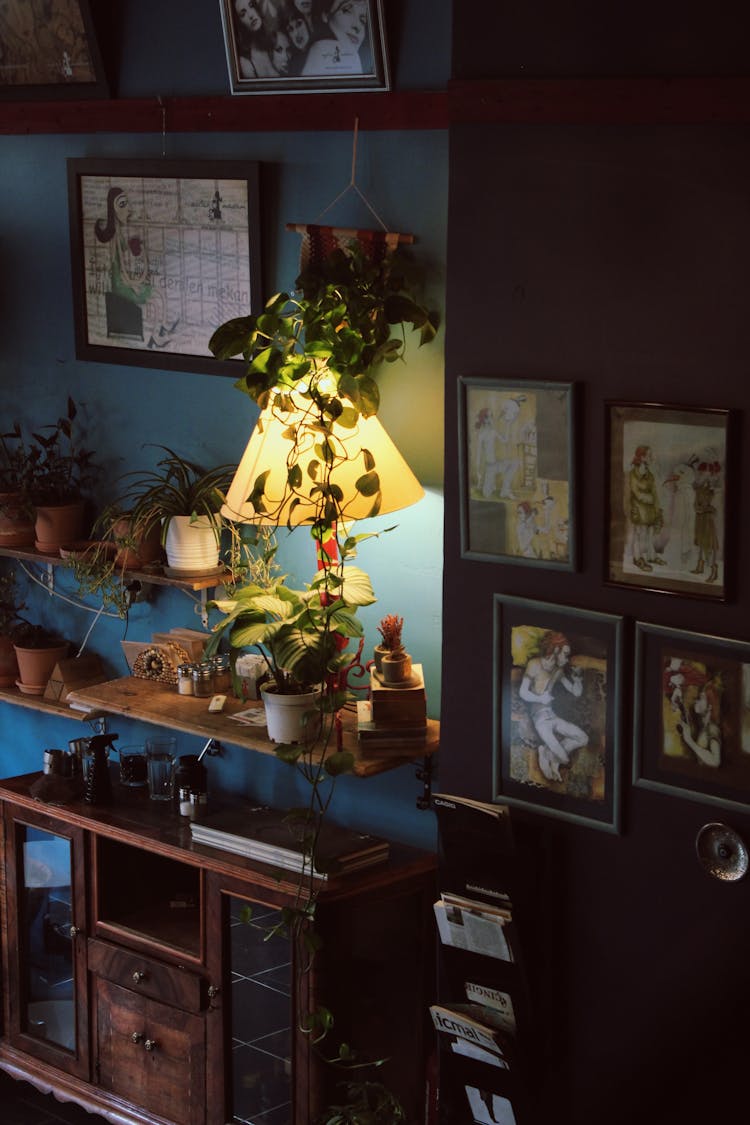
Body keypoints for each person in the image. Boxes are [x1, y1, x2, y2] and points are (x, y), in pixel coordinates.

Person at [94, 186, 171, 347]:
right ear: (114, 209)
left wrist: (137, 248)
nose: (129, 209)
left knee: (160, 293)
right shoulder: (115, 236)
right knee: (154, 301)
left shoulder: (119, 233)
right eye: (123, 205)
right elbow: (121, 272)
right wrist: (133, 285)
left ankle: (163, 328)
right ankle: (154, 337)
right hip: (121, 285)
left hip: (124, 281)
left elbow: (127, 257)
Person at [518, 631, 588, 783]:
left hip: (552, 716)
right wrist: (540, 698)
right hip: (540, 719)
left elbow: (575, 692)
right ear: (555, 650)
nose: (567, 658)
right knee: (564, 759)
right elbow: (522, 692)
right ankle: (553, 755)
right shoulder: (535, 664)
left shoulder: (558, 670)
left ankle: (547, 753)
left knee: (583, 738)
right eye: (565, 654)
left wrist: (577, 680)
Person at [302, 0, 368, 76]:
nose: (357, 26)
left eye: (363, 21)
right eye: (347, 11)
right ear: (325, 15)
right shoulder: (320, 48)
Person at [628, 444, 664, 572]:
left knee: (649, 533)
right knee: (639, 534)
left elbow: (654, 493)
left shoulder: (650, 475)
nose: (651, 457)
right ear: (642, 457)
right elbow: (635, 492)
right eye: (649, 455)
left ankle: (651, 556)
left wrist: (657, 508)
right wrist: (648, 498)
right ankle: (638, 559)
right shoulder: (633, 474)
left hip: (649, 510)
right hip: (638, 509)